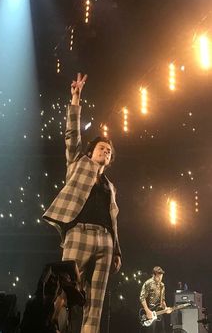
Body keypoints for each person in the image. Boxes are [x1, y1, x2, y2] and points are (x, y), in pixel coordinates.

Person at [43, 73, 122, 333]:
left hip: (105, 242)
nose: (106, 152)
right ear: (91, 152)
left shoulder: (110, 187)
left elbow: (114, 221)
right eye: (102, 148)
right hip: (79, 234)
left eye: (109, 151)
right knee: (64, 293)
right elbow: (71, 135)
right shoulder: (78, 163)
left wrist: (117, 251)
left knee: (95, 304)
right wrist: (76, 99)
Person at [139, 266, 171, 333]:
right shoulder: (148, 283)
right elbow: (142, 298)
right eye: (158, 275)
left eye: (161, 275)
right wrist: (147, 311)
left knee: (162, 331)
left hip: (158, 313)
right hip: (149, 312)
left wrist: (165, 308)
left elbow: (162, 300)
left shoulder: (162, 285)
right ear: (153, 275)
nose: (160, 277)